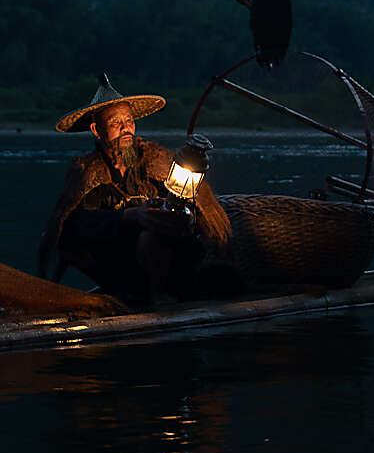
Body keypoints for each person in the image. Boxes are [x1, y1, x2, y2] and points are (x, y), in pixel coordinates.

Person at [37, 74, 233, 307]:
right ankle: (118, 294)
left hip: (169, 262)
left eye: (129, 121)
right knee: (68, 241)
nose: (125, 129)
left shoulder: (157, 162)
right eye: (115, 123)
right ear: (96, 130)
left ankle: (160, 296)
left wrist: (178, 215)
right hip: (117, 265)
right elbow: (71, 223)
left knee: (153, 233)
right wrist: (129, 216)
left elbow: (195, 208)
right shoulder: (86, 173)